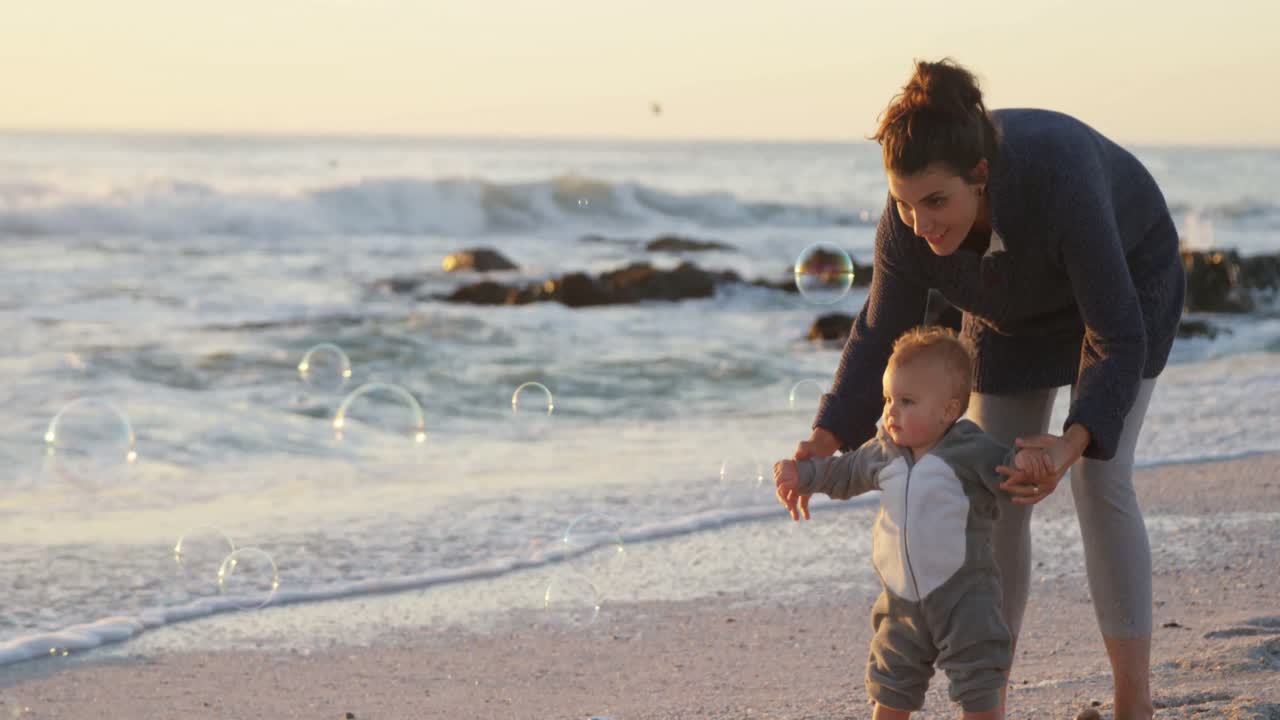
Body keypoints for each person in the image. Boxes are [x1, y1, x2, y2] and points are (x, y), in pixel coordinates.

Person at [792, 59, 1185, 720]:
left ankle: (1133, 703)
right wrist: (823, 440)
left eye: (936, 202)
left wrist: (1070, 443)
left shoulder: (1059, 183)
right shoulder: (908, 226)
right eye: (905, 202)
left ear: (980, 175)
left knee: (1100, 476)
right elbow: (878, 330)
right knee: (990, 488)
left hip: (1127, 280)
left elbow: (1117, 336)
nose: (921, 223)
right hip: (1008, 310)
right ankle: (988, 702)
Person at [775, 326, 1050, 719]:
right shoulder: (882, 452)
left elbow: (1008, 470)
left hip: (965, 597)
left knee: (978, 681)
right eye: (888, 398)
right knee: (891, 682)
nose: (890, 411)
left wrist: (1026, 465)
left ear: (948, 411)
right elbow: (841, 474)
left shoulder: (970, 448)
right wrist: (802, 475)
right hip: (900, 602)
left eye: (906, 401)